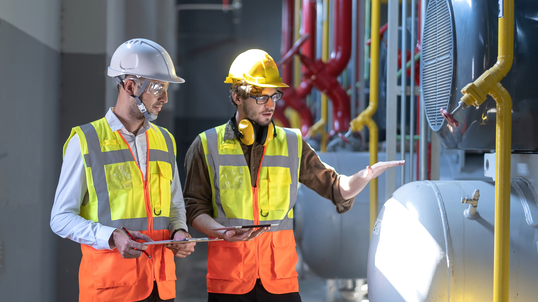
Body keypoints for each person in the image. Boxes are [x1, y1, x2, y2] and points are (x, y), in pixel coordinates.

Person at [183, 48, 405, 301]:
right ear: (237, 96)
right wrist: (219, 231)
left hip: (279, 280)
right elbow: (194, 208)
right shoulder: (206, 145)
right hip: (230, 280)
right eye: (260, 97)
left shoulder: (292, 143)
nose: (270, 105)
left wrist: (361, 178)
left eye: (274, 96)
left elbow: (334, 187)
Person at [50, 38, 196, 302]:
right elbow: (60, 218)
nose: (164, 98)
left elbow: (175, 206)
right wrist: (112, 236)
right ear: (130, 86)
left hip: (160, 287)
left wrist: (179, 231)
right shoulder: (85, 141)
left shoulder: (165, 140)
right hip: (112, 290)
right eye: (158, 87)